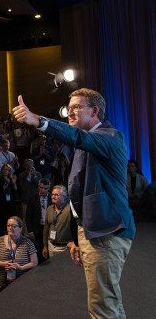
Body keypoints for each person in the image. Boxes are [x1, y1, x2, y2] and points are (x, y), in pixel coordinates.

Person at [14, 90, 135, 318]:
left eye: (77, 107)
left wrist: (39, 121)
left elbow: (78, 137)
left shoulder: (110, 136)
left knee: (102, 307)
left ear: (95, 111)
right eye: (68, 107)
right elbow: (80, 194)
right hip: (92, 230)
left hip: (107, 231)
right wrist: (79, 235)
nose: (70, 111)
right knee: (108, 302)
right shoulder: (84, 140)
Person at [0, 216, 37, 297]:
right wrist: (2, 263)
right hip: (1, 283)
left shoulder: (27, 243)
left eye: (14, 226)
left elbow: (34, 262)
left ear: (20, 228)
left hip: (20, 284)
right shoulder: (0, 240)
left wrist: (21, 268)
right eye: (8, 225)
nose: (10, 228)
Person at [42, 185, 74, 259]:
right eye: (52, 194)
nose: (53, 197)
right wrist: (45, 246)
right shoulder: (49, 209)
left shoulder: (70, 210)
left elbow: (77, 227)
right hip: (51, 246)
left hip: (65, 248)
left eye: (56, 195)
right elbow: (46, 228)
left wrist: (75, 242)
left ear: (64, 197)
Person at [25, 178, 50, 261]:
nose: (43, 190)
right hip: (37, 228)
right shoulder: (32, 198)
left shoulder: (52, 198)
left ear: (49, 188)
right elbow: (28, 216)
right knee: (38, 250)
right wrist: (30, 231)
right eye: (41, 188)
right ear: (38, 187)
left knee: (49, 249)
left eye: (45, 188)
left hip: (49, 227)